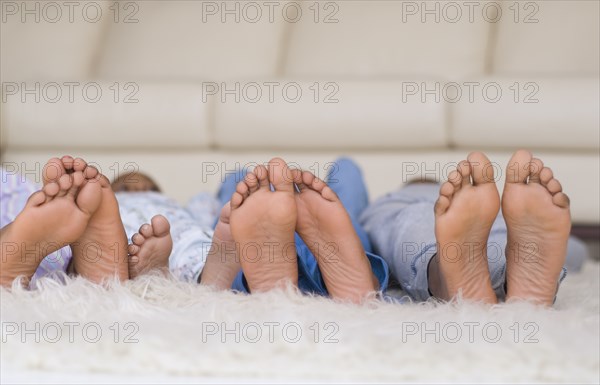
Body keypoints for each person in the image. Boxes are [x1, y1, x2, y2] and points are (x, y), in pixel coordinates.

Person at [360, 150, 583, 306]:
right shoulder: (481, 204)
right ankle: (513, 274)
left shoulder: (393, 199)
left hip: (412, 208)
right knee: (569, 248)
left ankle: (442, 276)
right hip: (497, 223)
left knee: (408, 224)